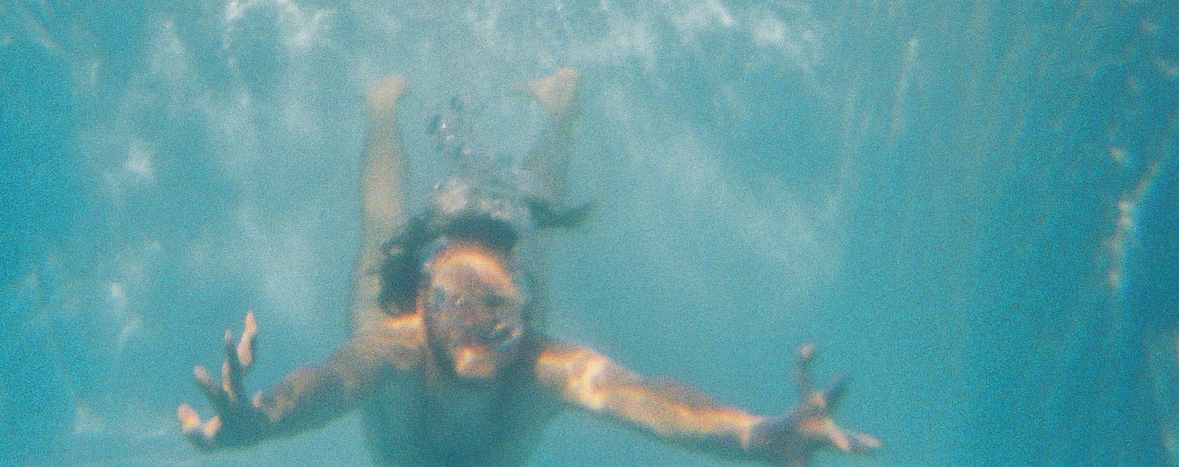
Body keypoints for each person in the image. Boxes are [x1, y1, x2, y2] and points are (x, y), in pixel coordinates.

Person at [177, 71, 879, 466]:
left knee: (535, 224)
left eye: (498, 307)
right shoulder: (392, 350)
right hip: (400, 315)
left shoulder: (542, 365)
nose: (479, 324)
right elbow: (332, 382)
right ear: (424, 302)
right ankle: (381, 106)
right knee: (381, 236)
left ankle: (560, 108)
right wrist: (263, 418)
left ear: (520, 303)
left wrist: (758, 434)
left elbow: (641, 397)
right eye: (457, 302)